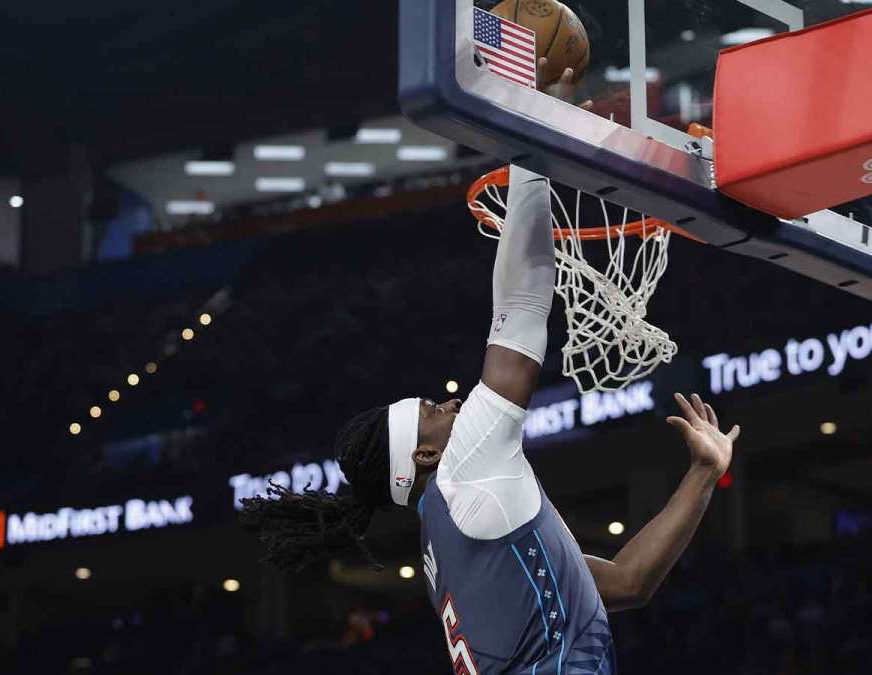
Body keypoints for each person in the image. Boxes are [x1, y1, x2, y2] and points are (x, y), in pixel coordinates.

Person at [240, 64, 741, 675]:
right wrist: (533, 137)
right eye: (432, 412)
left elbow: (629, 583)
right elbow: (523, 309)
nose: (449, 404)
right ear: (423, 457)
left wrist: (702, 472)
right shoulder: (463, 473)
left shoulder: (454, 532)